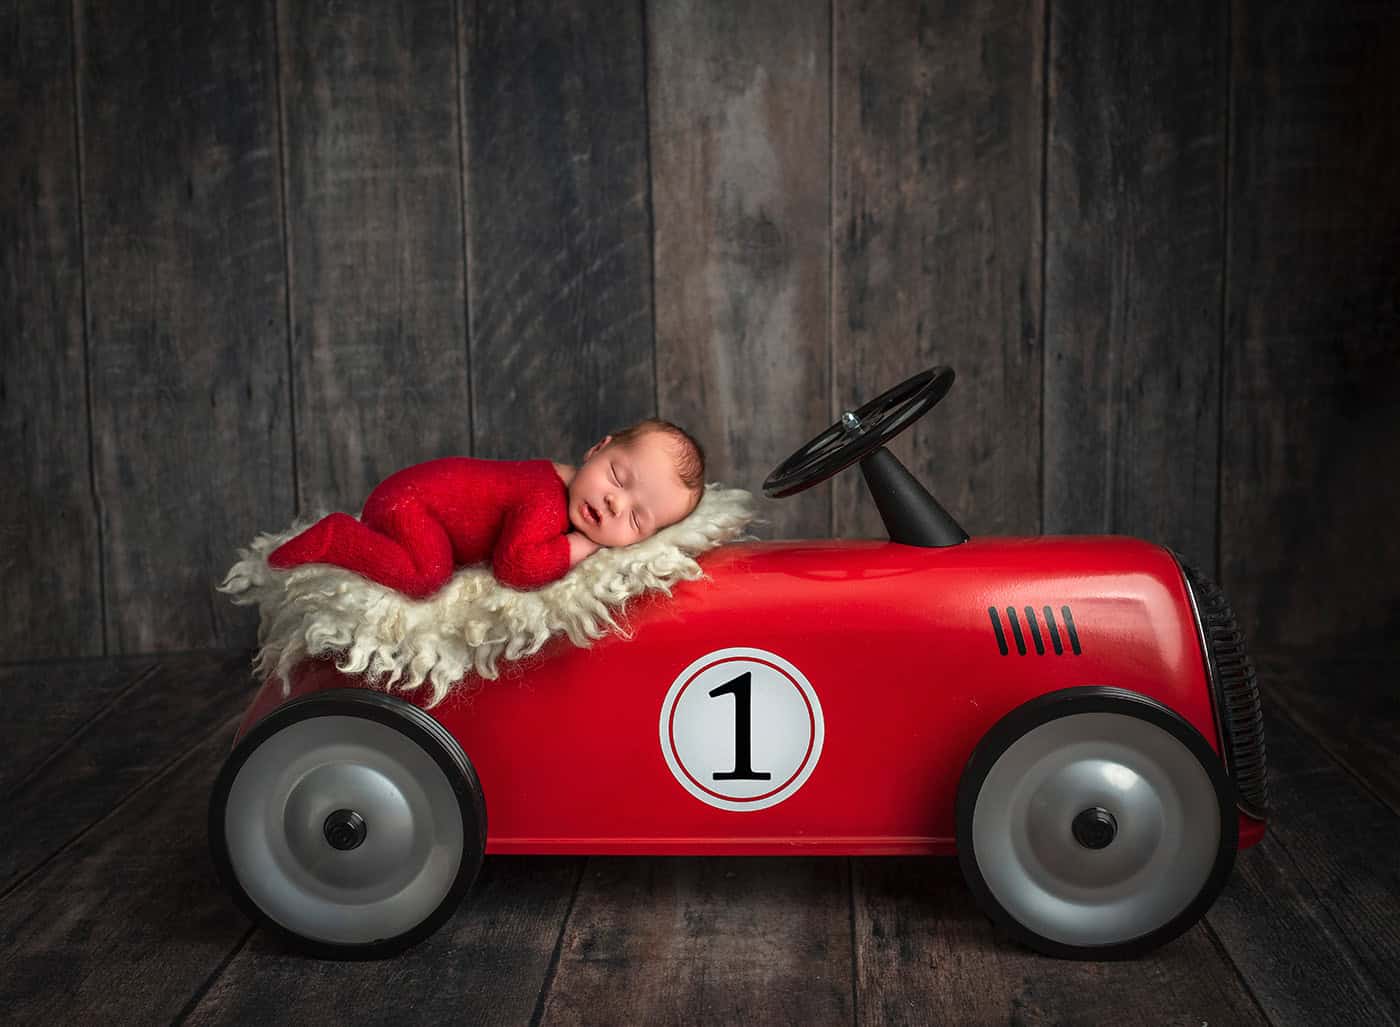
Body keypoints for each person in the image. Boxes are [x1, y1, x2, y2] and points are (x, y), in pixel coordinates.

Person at [266, 419, 705, 598]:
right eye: (617, 477)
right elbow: (515, 567)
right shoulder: (543, 498)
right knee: (427, 576)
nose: (614, 502)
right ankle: (338, 536)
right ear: (597, 449)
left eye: (635, 518)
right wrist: (582, 547)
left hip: (420, 503)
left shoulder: (560, 489)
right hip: (411, 504)